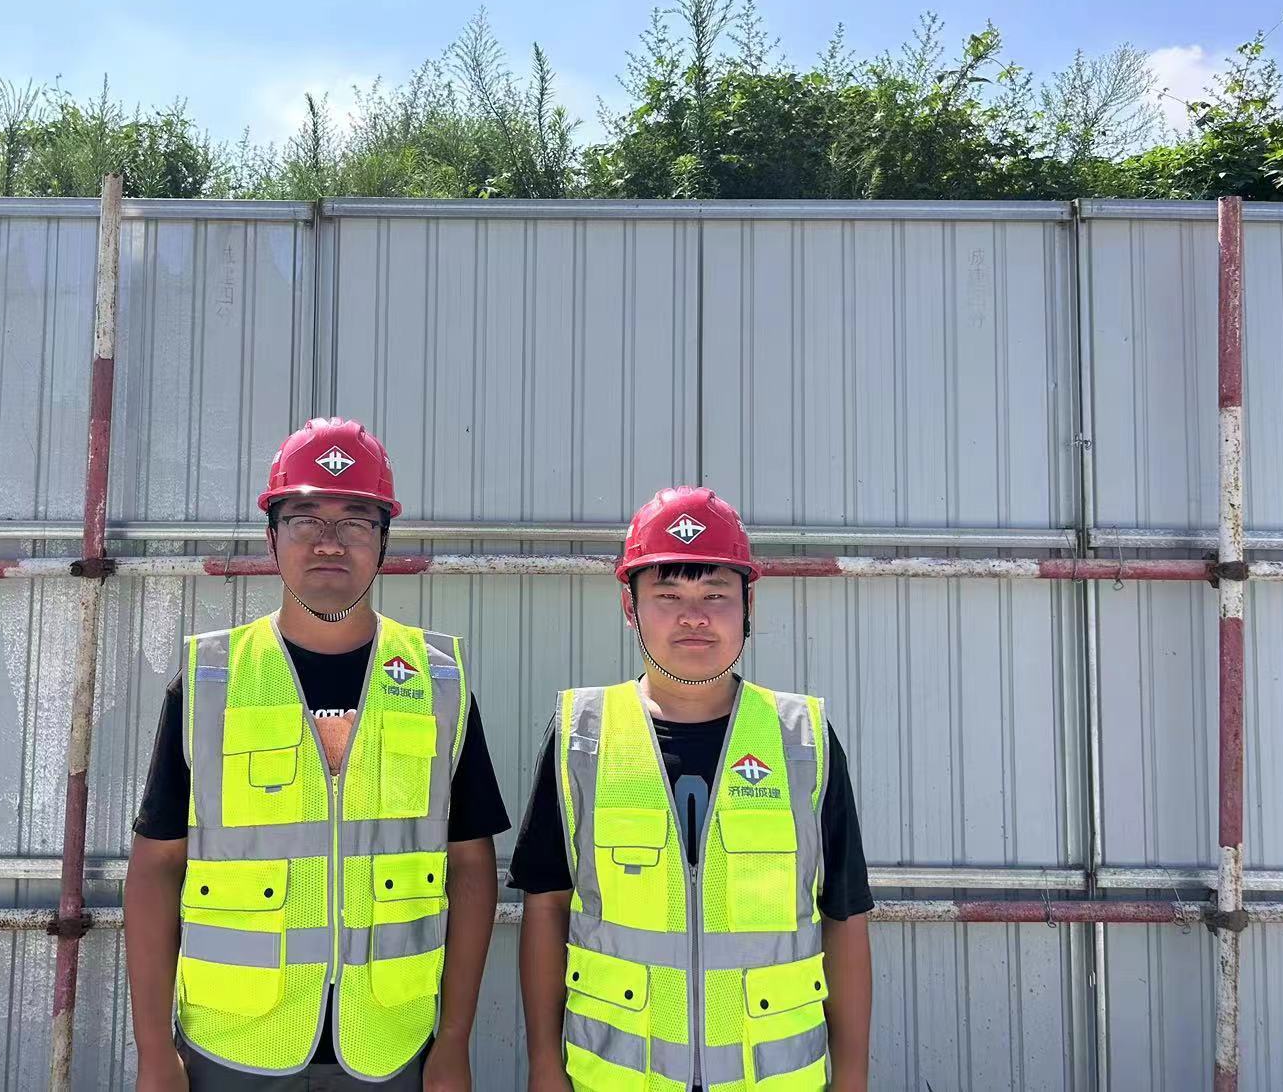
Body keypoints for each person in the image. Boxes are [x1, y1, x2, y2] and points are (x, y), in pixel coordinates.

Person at [125, 418, 510, 1091]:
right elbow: (156, 869)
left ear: (384, 541)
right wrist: (154, 1049)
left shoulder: (437, 681)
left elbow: (471, 869)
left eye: (355, 521)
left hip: (393, 1045)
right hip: (232, 1047)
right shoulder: (212, 681)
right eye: (305, 519)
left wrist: (453, 1041)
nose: (329, 542)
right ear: (271, 536)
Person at [510, 486, 873, 1091]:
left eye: (715, 595)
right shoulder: (582, 735)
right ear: (630, 606)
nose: (694, 616)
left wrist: (852, 1077)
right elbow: (546, 908)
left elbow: (844, 915)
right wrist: (545, 1067)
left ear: (748, 603)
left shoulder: (802, 740)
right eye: (668, 595)